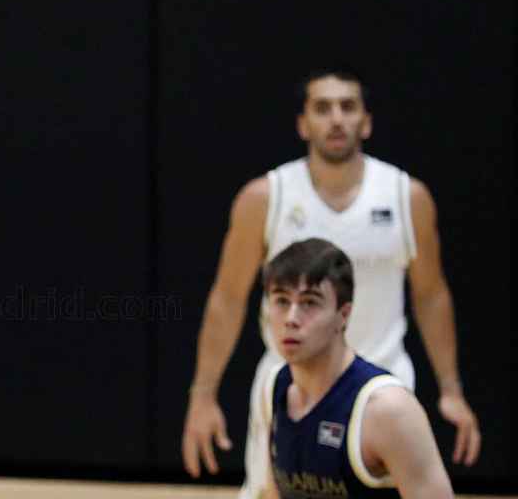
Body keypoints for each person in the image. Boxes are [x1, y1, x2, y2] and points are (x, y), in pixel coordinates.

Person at [179, 69, 480, 497]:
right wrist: (203, 394)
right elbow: (227, 299)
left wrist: (451, 388)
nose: (336, 118)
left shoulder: (405, 196)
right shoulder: (264, 198)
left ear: (366, 121)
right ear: (303, 124)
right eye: (322, 108)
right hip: (290, 386)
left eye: (348, 106)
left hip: (378, 390)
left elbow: (431, 295)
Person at [259, 238, 454, 498]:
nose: (291, 319)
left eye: (310, 302)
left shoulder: (387, 409)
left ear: (344, 314)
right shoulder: (274, 386)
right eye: (282, 301)